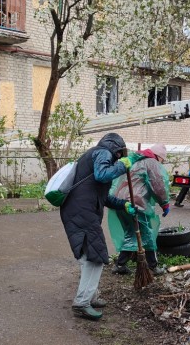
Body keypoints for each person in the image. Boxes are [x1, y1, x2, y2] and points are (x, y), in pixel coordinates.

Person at [60, 133, 134, 321]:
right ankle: (82, 303)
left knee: (88, 256)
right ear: (115, 148)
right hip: (82, 212)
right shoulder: (103, 153)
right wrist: (121, 165)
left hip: (75, 210)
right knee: (96, 257)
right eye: (119, 154)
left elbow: (101, 194)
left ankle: (89, 296)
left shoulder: (95, 155)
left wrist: (122, 204)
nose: (119, 157)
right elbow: (102, 176)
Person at [109, 143, 172, 276]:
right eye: (162, 160)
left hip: (119, 202)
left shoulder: (135, 160)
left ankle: (120, 264)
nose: (161, 163)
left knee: (130, 232)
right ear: (158, 157)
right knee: (147, 235)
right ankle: (153, 266)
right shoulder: (151, 162)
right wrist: (164, 203)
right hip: (136, 203)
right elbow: (158, 185)